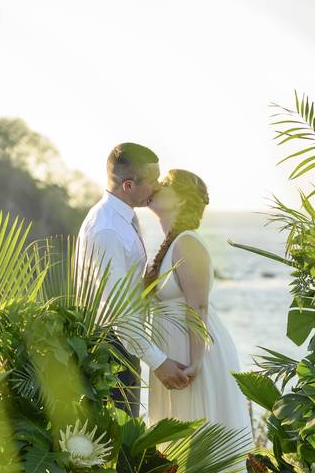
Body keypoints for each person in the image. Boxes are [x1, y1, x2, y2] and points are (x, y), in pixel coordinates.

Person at [76, 143, 190, 417]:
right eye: (153, 181)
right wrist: (159, 363)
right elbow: (117, 312)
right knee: (117, 448)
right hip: (108, 353)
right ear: (128, 186)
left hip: (123, 348)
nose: (158, 186)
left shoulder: (122, 219)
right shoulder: (107, 229)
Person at [143, 169, 251, 436]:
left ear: (179, 200)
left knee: (199, 439)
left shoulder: (187, 242)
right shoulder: (171, 244)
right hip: (172, 350)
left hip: (194, 354)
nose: (155, 186)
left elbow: (198, 306)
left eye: (164, 184)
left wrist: (197, 362)